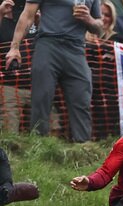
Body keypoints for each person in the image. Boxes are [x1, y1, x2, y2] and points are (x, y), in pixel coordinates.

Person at [4, 0, 103, 141]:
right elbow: (27, 14)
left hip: (76, 48)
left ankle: (82, 148)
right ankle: (39, 146)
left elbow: (99, 28)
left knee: (82, 99)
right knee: (41, 97)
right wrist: (15, 47)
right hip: (48, 44)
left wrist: (89, 20)